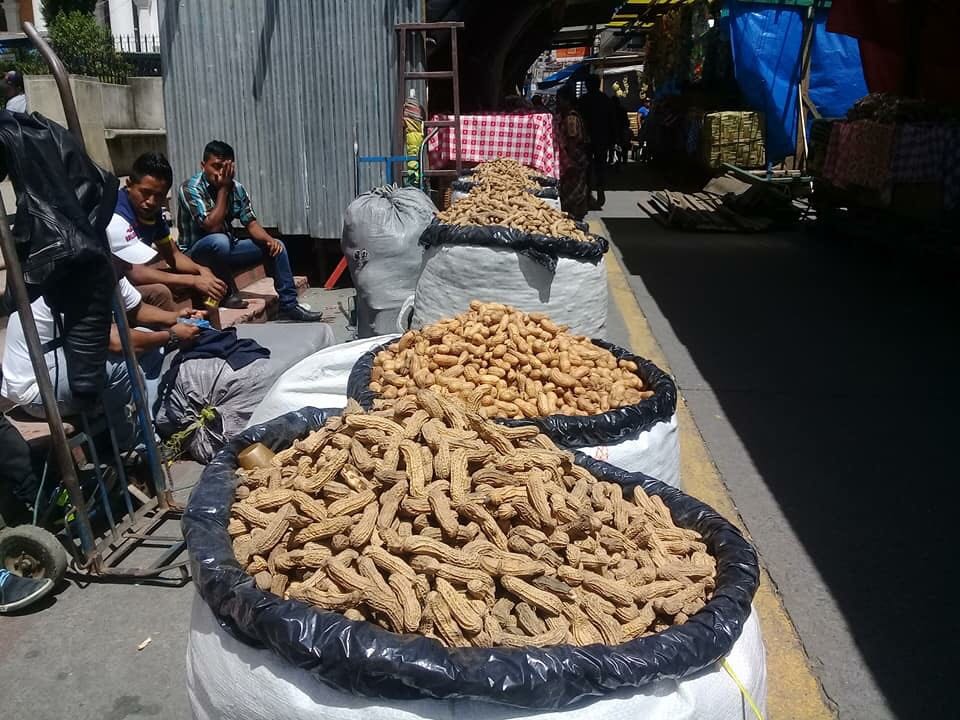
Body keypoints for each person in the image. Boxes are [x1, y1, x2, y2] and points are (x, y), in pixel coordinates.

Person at [1, 277, 202, 450]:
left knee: (148, 342)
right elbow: (114, 342)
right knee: (119, 365)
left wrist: (175, 317)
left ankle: (152, 421)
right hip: (35, 393)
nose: (130, 266)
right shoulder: (71, 287)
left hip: (62, 370)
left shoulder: (108, 272)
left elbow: (135, 308)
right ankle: (136, 444)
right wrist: (171, 335)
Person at [176, 140, 324, 322]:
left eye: (225, 167)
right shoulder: (190, 188)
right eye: (215, 166)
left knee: (278, 247)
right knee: (219, 241)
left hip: (225, 249)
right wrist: (223, 189)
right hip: (193, 256)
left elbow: (251, 223)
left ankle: (289, 305)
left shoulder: (236, 187)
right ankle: (227, 293)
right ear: (203, 165)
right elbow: (211, 225)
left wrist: (269, 240)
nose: (220, 172)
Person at [107, 152, 227, 312]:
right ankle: (179, 332)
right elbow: (135, 273)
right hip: (113, 287)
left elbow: (174, 255)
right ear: (129, 184)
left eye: (159, 196)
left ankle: (212, 333)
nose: (151, 202)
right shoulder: (116, 213)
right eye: (145, 192)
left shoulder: (153, 213)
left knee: (206, 284)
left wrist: (201, 271)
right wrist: (191, 280)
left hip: (132, 281)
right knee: (160, 292)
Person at [576, 75, 616, 209]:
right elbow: (612, 121)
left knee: (586, 166)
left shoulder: (583, 100)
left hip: (587, 138)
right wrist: (612, 138)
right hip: (602, 138)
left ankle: (588, 193)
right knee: (600, 165)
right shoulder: (606, 100)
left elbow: (579, 119)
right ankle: (599, 189)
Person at [555, 84, 590, 220]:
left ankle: (574, 216)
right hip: (576, 156)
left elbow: (572, 140)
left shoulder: (571, 118)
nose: (557, 103)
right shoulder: (569, 116)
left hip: (574, 157)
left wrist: (568, 161)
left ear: (567, 101)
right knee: (576, 187)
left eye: (559, 100)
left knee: (574, 188)